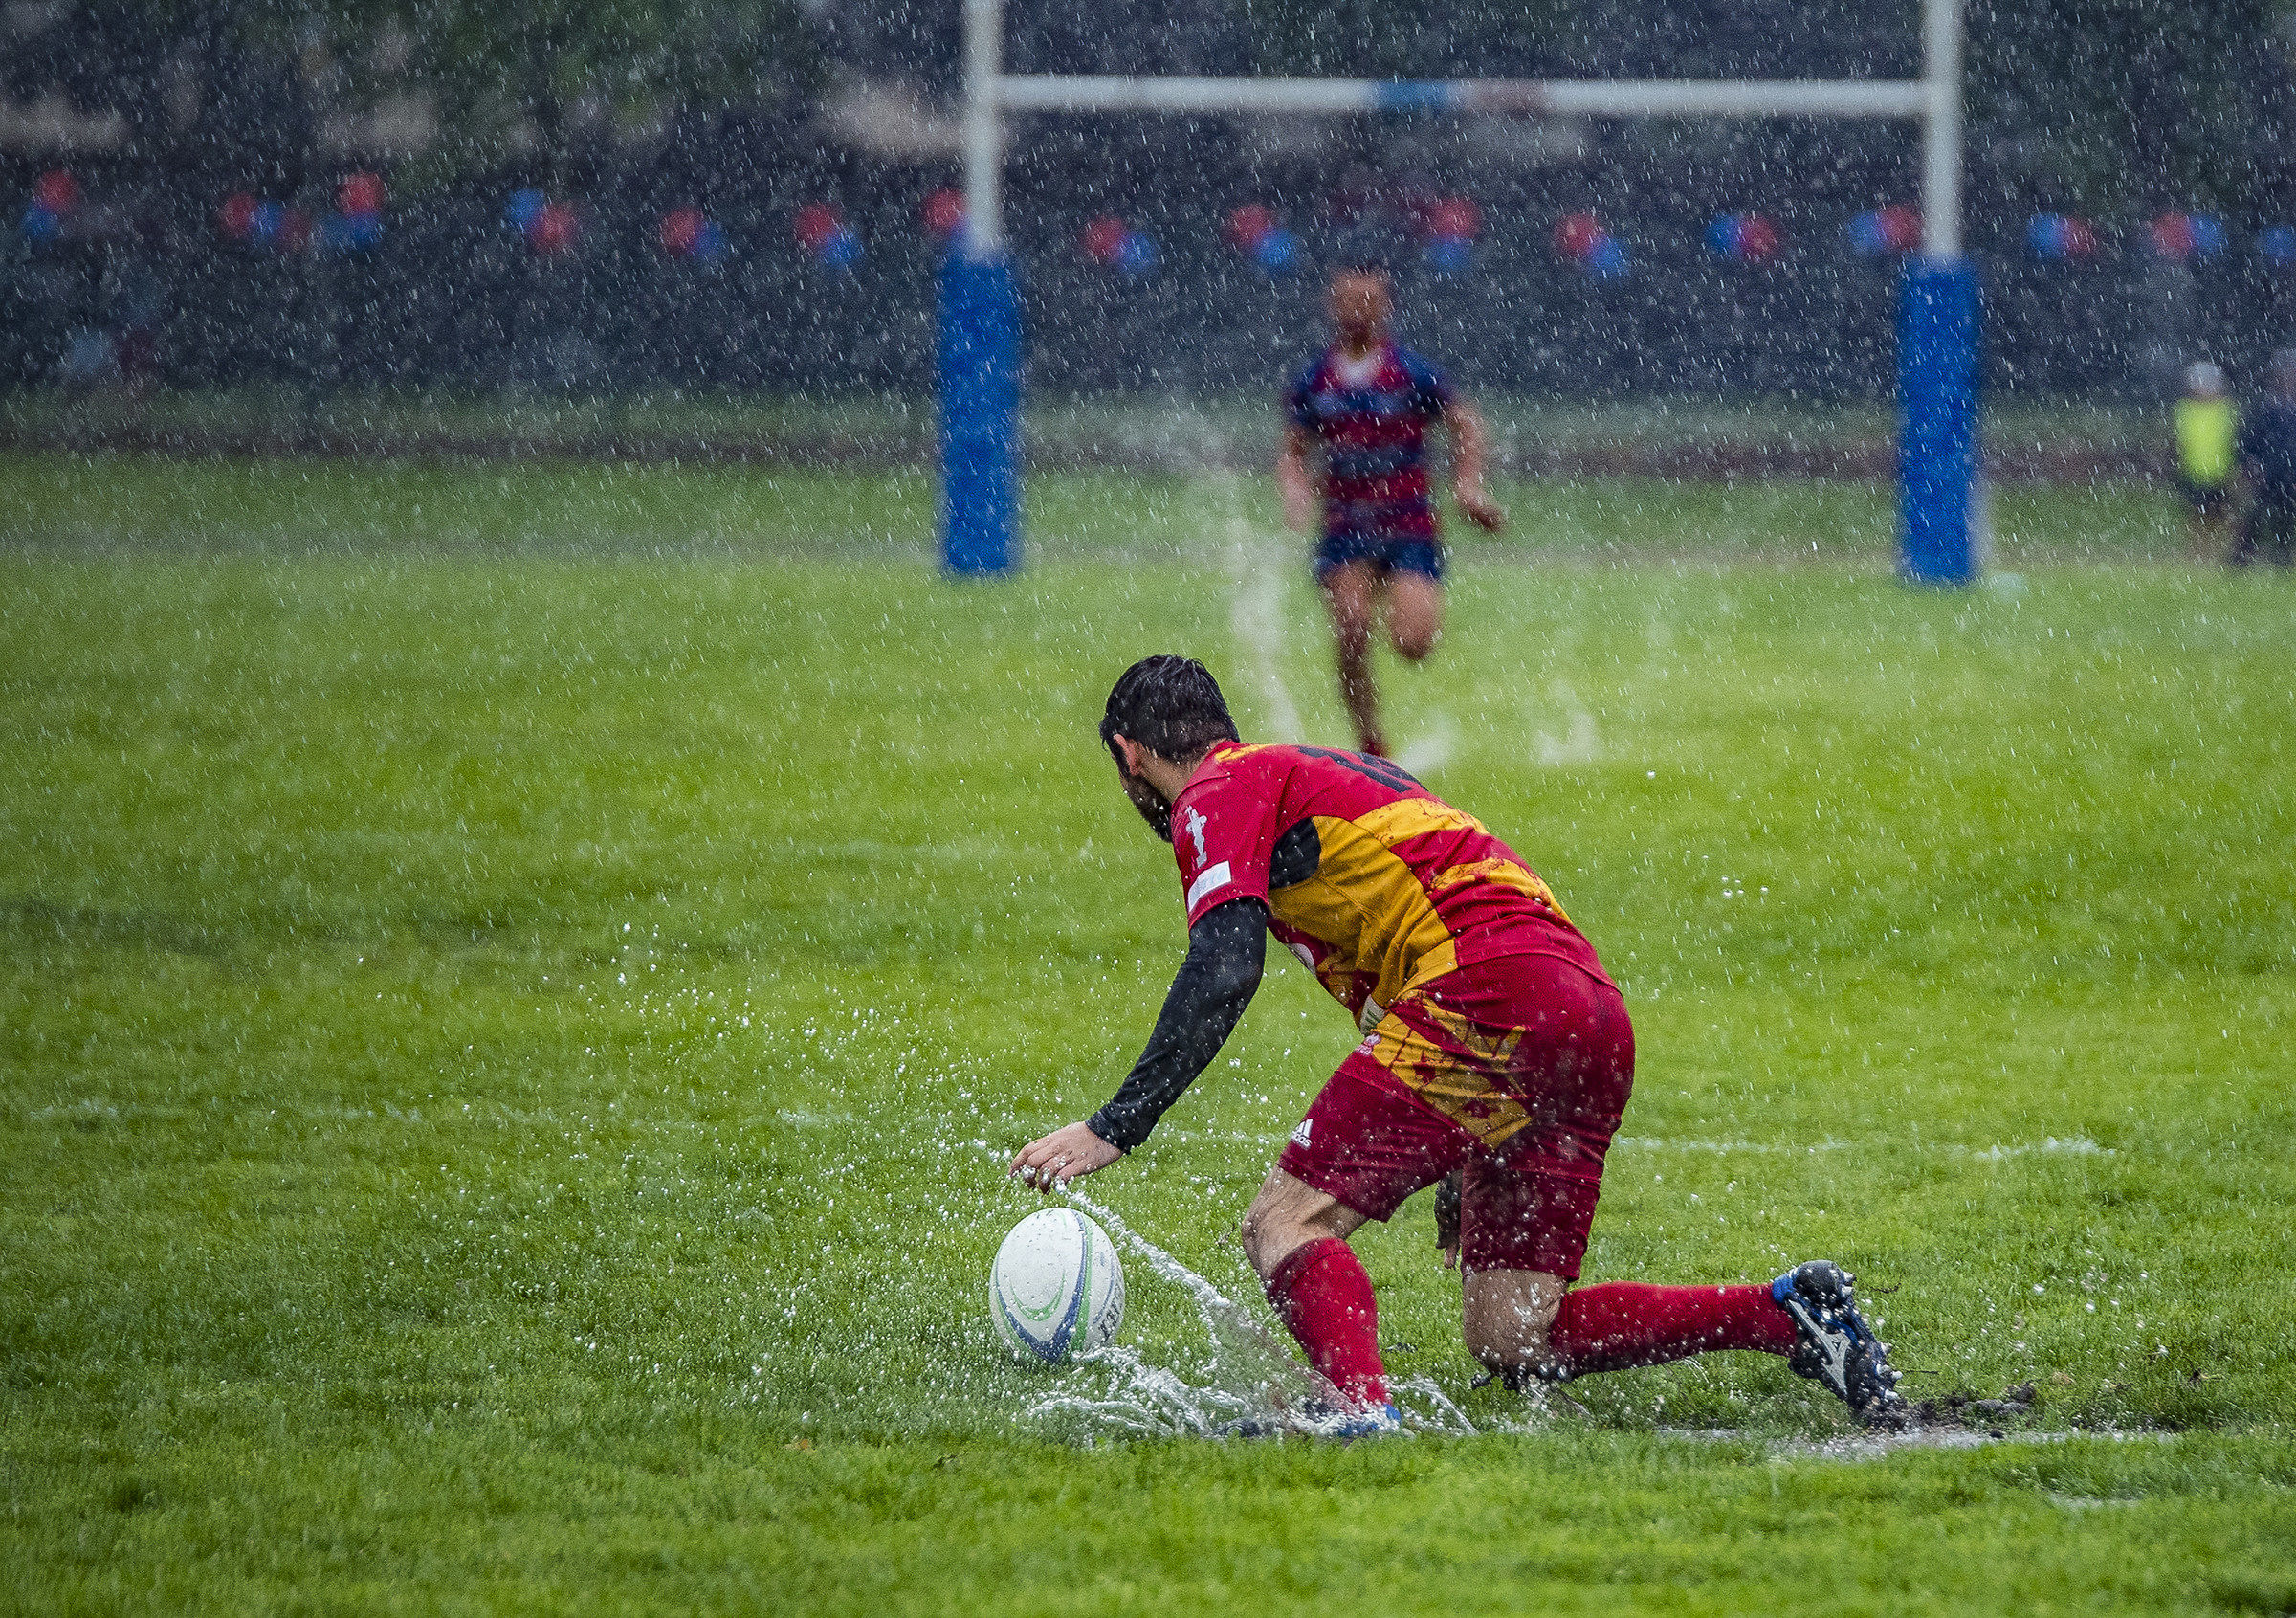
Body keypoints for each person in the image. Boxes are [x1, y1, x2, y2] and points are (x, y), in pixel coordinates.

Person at [1011, 655, 1907, 1435]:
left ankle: (1358, 1413)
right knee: (1515, 1332)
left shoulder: (1215, 793)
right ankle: (1789, 1314)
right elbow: (1419, 950)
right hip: (1586, 1012)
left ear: (1130, 756)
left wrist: (1115, 1125)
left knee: (1282, 1221)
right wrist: (1458, 1152)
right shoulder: (1325, 779)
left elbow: (1224, 966)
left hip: (1494, 991)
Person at [1276, 265, 1506, 759]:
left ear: (1386, 308)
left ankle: (1388, 590)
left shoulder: (1412, 373)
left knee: (1413, 645)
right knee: (1351, 631)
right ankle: (1371, 744)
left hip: (1408, 525)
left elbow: (1465, 423)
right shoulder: (1316, 381)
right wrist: (1295, 490)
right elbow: (1294, 449)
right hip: (1347, 527)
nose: (1358, 310)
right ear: (1332, 307)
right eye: (1349, 300)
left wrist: (1467, 487)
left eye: (1369, 300)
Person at [2234, 349, 2296, 568]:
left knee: (2285, 518)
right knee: (2255, 516)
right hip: (2268, 473)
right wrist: (2249, 462)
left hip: (2290, 473)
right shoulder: (2266, 407)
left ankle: (2281, 557)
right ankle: (2242, 557)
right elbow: (2249, 439)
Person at [2174, 361, 2237, 561]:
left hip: (2221, 473)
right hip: (2194, 473)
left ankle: (2215, 552)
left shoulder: (2226, 410)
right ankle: (2198, 553)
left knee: (2219, 516)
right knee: (2197, 516)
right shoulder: (2184, 410)